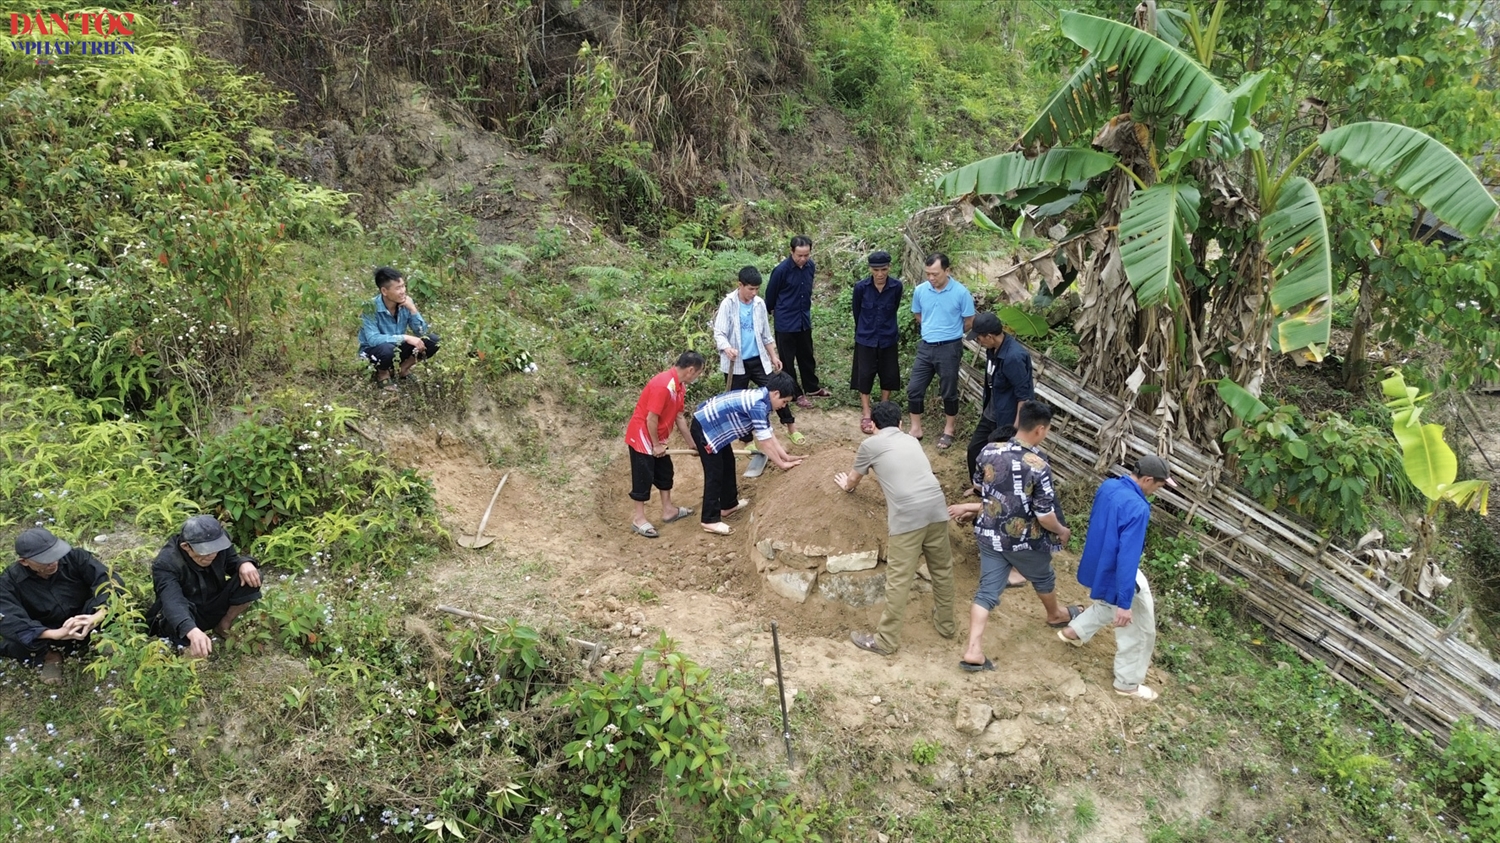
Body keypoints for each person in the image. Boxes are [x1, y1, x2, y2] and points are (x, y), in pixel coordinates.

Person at [947, 401, 1075, 672]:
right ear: (1040, 430)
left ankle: (973, 650)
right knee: (1043, 577)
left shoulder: (990, 449)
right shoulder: (1039, 465)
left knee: (987, 591)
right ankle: (1055, 615)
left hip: (988, 533)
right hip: (1023, 540)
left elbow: (980, 486)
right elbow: (1044, 515)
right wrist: (1061, 531)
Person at [837, 401, 958, 656]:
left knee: (898, 579)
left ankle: (886, 640)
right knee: (943, 570)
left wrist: (845, 485)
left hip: (907, 517)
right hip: (937, 508)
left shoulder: (869, 444)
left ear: (873, 426)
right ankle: (947, 625)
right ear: (902, 424)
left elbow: (853, 480)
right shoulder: (912, 441)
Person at [1057, 454, 1177, 702]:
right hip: (1118, 570)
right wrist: (1125, 602)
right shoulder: (1138, 507)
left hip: (1098, 562)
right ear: (1146, 479)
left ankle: (1075, 631)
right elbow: (1127, 557)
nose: (1159, 489)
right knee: (1140, 629)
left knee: (1106, 602)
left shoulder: (1109, 486)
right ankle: (1128, 683)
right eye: (1160, 484)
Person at [0, 528, 122, 684]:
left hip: (85, 618)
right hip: (47, 631)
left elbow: (110, 582)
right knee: (15, 637)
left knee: (115, 603)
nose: (53, 562)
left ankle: (100, 640)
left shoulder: (75, 557)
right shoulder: (9, 582)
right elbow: (7, 617)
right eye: (44, 560)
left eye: (55, 555)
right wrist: (54, 634)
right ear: (24, 561)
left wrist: (96, 617)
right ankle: (50, 656)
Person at [691, 371, 805, 536]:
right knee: (714, 473)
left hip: (718, 429)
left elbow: (769, 434)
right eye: (784, 401)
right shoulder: (758, 404)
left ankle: (728, 505)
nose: (784, 406)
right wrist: (781, 465)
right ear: (776, 393)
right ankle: (709, 520)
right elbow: (764, 443)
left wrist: (786, 457)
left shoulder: (763, 400)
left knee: (728, 463)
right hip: (705, 428)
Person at [147, 515, 263, 659]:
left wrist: (244, 563)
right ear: (186, 547)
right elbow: (173, 602)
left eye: (215, 549)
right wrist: (191, 630)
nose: (212, 555)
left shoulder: (219, 542)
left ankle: (223, 625)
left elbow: (232, 562)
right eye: (205, 551)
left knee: (252, 575)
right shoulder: (166, 563)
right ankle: (188, 646)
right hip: (185, 612)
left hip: (213, 601)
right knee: (173, 614)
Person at [712, 266, 804, 444]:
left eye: (756, 289)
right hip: (736, 363)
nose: (754, 293)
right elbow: (719, 333)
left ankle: (791, 427)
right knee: (737, 402)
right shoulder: (728, 304)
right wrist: (726, 348)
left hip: (758, 360)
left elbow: (765, 334)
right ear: (740, 285)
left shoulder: (759, 304)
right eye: (750, 289)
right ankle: (747, 441)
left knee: (778, 392)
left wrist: (773, 356)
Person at [625, 351, 707, 538]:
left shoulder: (679, 387)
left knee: (665, 472)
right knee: (643, 477)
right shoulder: (663, 386)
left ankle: (668, 510)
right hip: (642, 436)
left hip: (658, 438)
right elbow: (651, 418)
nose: (698, 376)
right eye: (699, 373)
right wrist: (655, 445)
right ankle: (638, 519)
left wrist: (692, 444)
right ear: (691, 370)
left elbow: (679, 417)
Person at [907, 253, 976, 449]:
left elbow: (969, 322)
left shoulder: (961, 293)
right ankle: (916, 429)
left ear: (947, 271)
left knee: (948, 390)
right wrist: (931, 328)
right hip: (926, 346)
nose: (931, 278)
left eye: (935, 274)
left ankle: (949, 430)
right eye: (928, 273)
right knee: (914, 388)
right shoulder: (920, 291)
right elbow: (918, 314)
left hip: (949, 348)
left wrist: (950, 332)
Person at [966, 311, 1034, 487]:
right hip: (991, 412)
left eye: (978, 338)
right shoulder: (993, 349)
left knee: (1001, 459)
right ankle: (978, 488)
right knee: (975, 449)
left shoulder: (1013, 357)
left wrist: (1016, 428)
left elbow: (1023, 396)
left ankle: (996, 491)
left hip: (1007, 418)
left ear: (989, 336)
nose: (977, 342)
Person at [764, 235, 831, 409]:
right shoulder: (781, 271)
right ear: (791, 252)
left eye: (806, 255)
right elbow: (770, 296)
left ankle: (812, 387)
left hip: (803, 319)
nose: (803, 259)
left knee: (807, 355)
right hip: (786, 321)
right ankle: (794, 393)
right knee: (787, 359)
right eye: (799, 255)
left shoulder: (810, 267)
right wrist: (773, 310)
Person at [358, 266, 440, 392]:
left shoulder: (406, 303)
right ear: (384, 291)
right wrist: (405, 337)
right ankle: (382, 373)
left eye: (403, 286)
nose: (403, 291)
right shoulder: (370, 308)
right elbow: (373, 339)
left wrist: (413, 309)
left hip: (396, 350)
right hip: (374, 353)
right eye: (398, 288)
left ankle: (402, 369)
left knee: (433, 340)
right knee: (387, 348)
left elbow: (422, 332)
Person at [850, 250, 904, 435]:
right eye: (876, 270)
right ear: (870, 269)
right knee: (864, 374)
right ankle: (866, 411)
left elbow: (895, 307)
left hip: (888, 338)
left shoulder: (896, 287)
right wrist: (865, 329)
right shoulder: (861, 288)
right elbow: (857, 312)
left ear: (889, 267)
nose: (880, 274)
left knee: (888, 373)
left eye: (883, 269)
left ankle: (883, 408)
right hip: (866, 338)